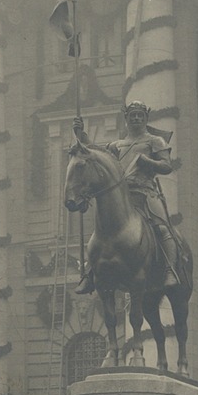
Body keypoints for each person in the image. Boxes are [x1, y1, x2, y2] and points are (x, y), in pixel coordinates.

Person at [72, 101, 180, 293]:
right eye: (133, 116)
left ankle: (170, 269)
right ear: (127, 119)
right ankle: (89, 273)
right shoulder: (116, 145)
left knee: (162, 228)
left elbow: (167, 166)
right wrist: (82, 135)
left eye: (140, 115)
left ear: (146, 118)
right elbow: (97, 154)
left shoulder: (155, 141)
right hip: (121, 196)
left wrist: (148, 162)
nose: (136, 118)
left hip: (145, 192)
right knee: (101, 232)